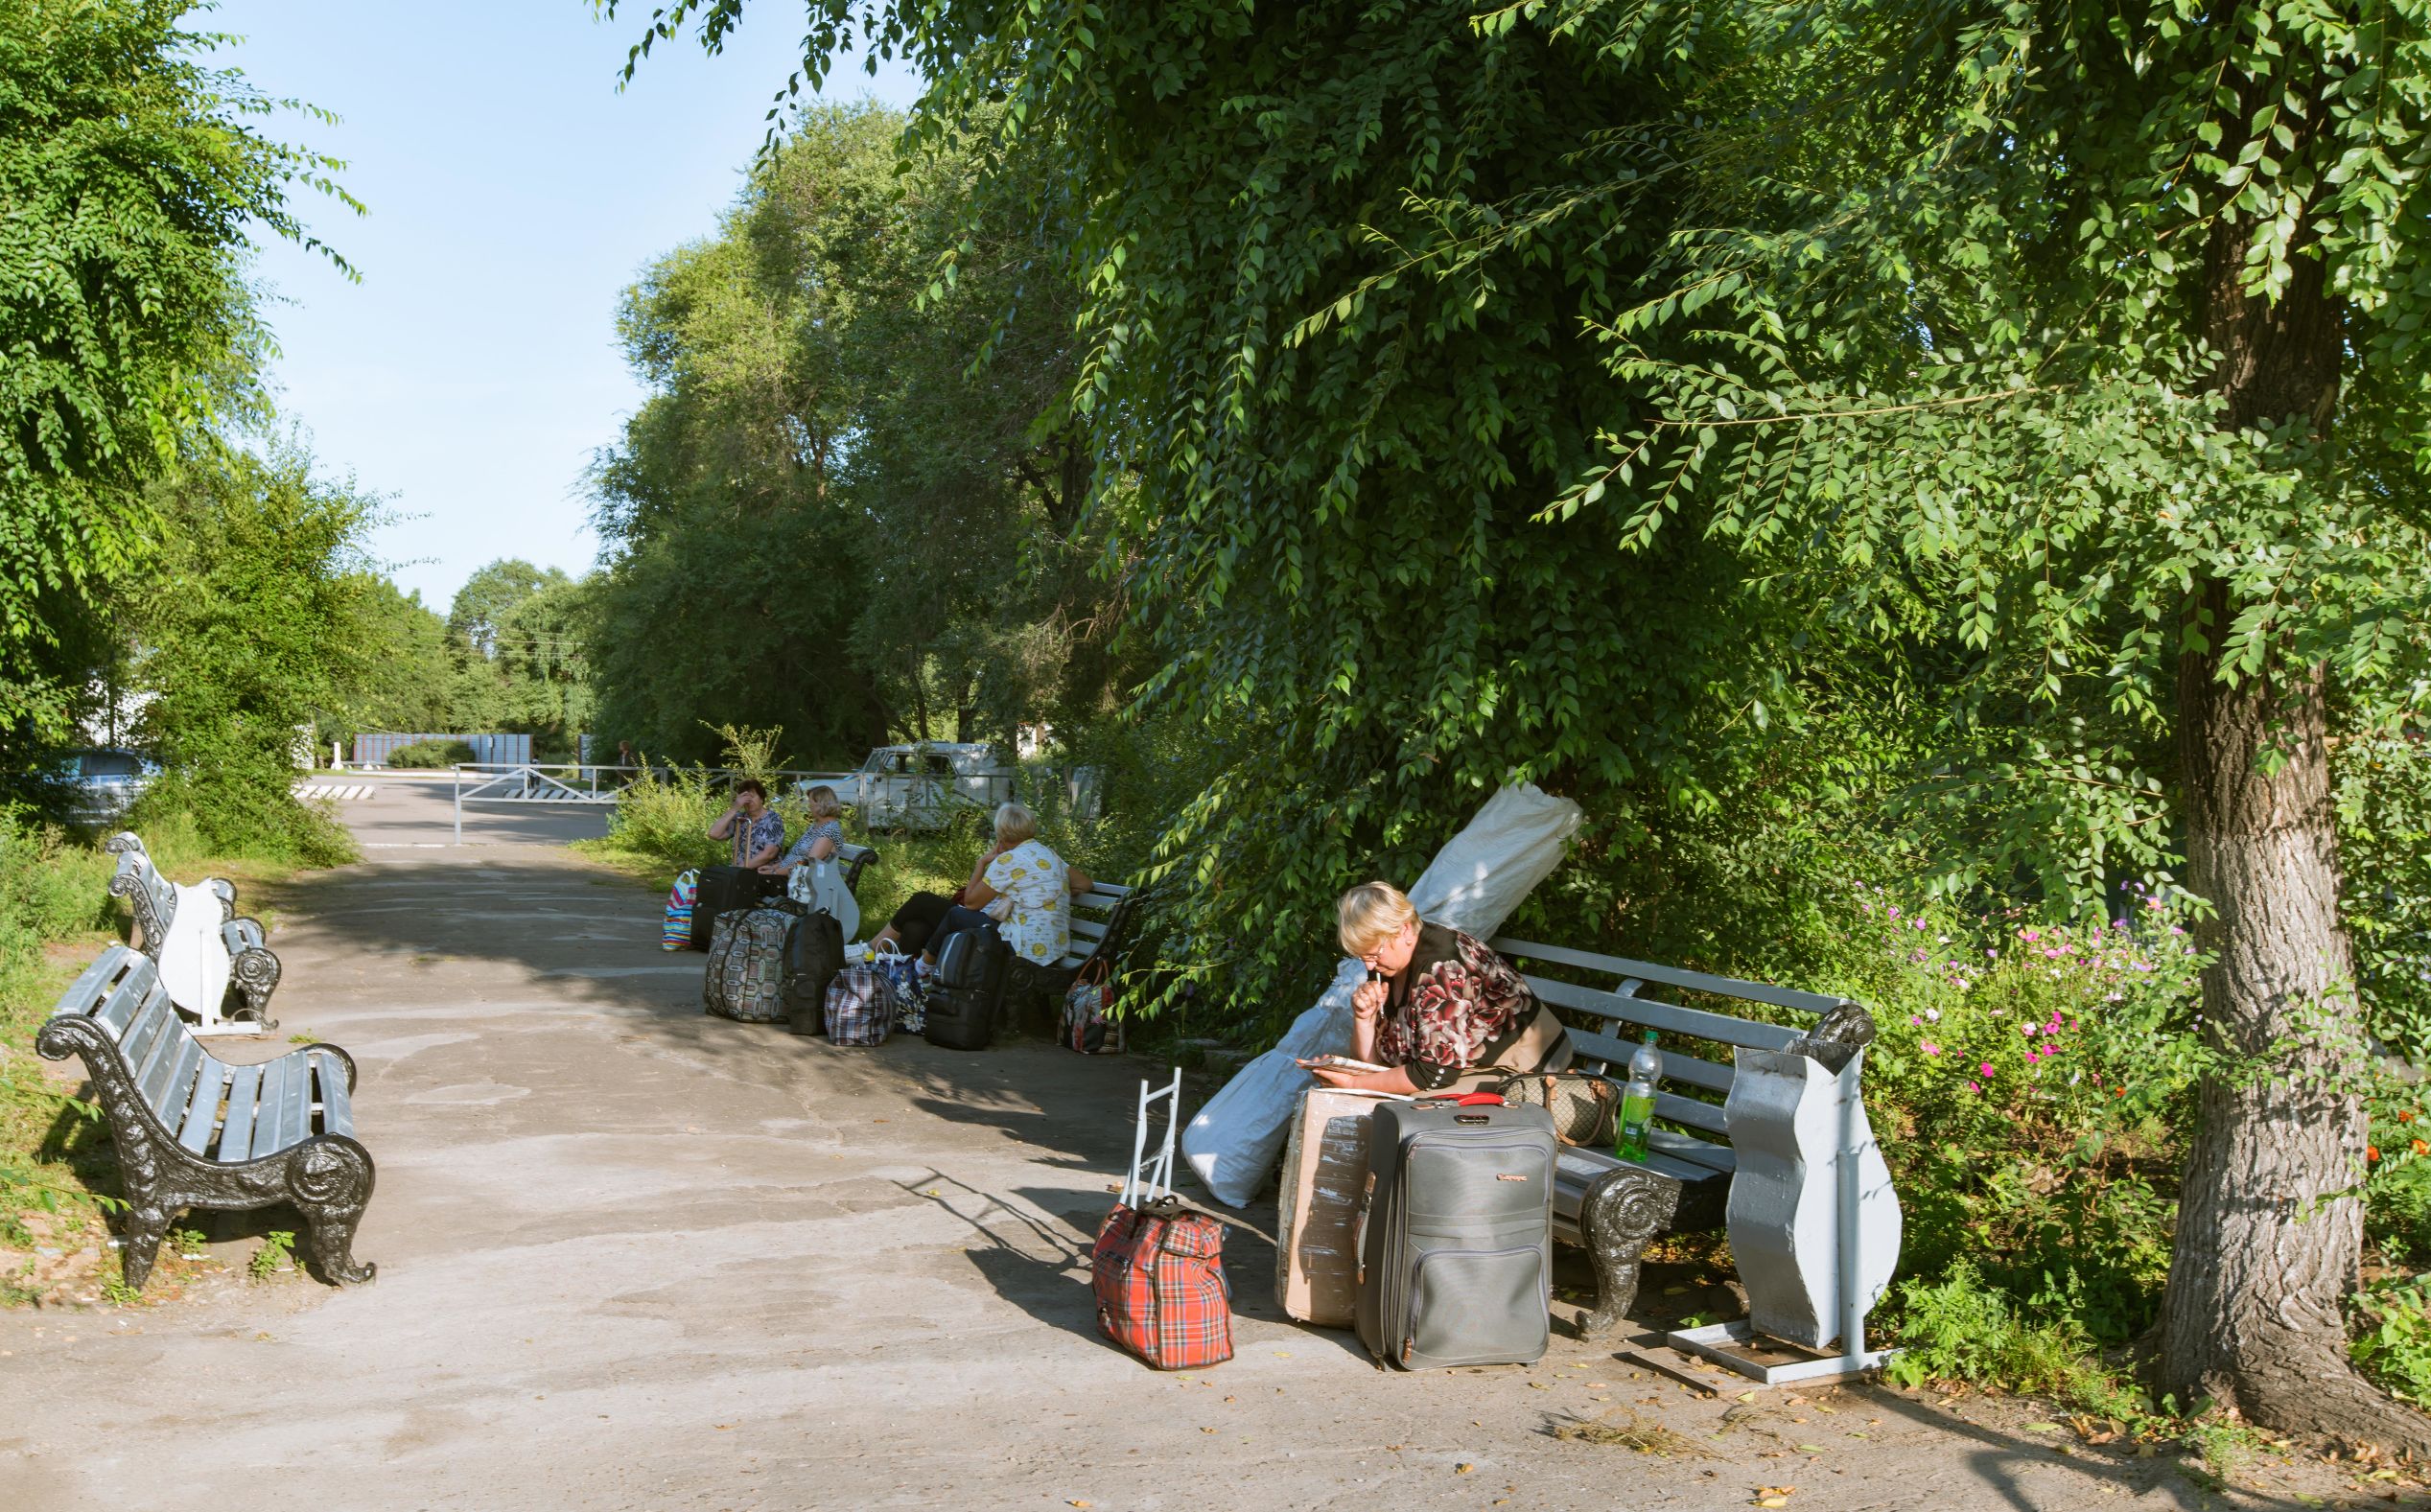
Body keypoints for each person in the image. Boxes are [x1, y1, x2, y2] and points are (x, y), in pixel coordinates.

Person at [1307, 880, 1572, 1095]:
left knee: (1412, 1109)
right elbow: (1378, 1066)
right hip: (1461, 1067)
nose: (1369, 964)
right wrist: (1364, 1019)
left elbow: (1432, 1075)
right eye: (1362, 956)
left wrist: (1355, 1085)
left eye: (1374, 953)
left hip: (1524, 1065)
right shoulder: (1390, 961)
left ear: (1405, 931)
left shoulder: (1442, 970)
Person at [864, 801, 1094, 963]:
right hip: (1051, 946)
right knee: (916, 927)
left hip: (1019, 943)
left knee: (922, 901)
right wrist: (1048, 891)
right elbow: (1085, 884)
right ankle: (899, 977)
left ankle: (873, 951)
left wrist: (982, 863)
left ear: (1001, 834)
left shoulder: (1010, 860)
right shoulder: (1047, 855)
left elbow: (972, 904)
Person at [760, 785, 844, 879]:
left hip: (803, 883)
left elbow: (806, 864)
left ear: (821, 804)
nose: (808, 806)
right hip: (789, 877)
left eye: (810, 802)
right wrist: (773, 867)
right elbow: (795, 856)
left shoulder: (830, 830)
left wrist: (774, 872)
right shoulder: (816, 826)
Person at [708, 779, 784, 870]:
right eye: (745, 797)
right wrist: (735, 808)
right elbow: (713, 834)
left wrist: (739, 869)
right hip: (739, 873)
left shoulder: (773, 819)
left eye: (752, 796)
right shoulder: (740, 819)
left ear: (761, 798)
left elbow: (769, 854)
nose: (749, 800)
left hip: (763, 874)